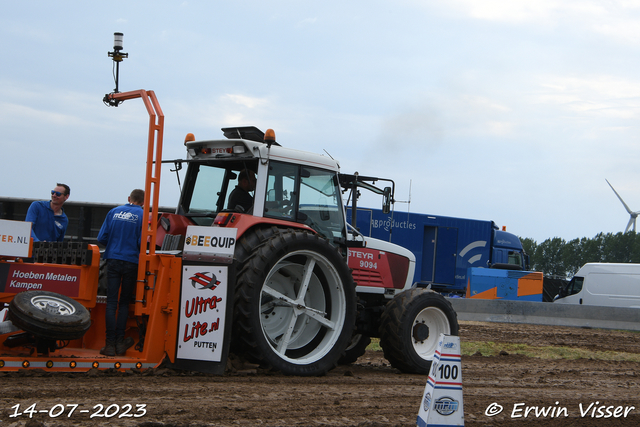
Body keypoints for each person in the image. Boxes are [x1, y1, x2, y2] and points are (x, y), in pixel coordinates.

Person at [97, 189, 144, 356]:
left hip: (113, 259)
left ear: (129, 198)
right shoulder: (144, 215)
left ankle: (109, 345)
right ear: (143, 202)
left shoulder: (114, 212)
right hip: (131, 261)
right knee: (124, 303)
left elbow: (102, 237)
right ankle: (120, 342)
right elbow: (142, 242)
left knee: (111, 303)